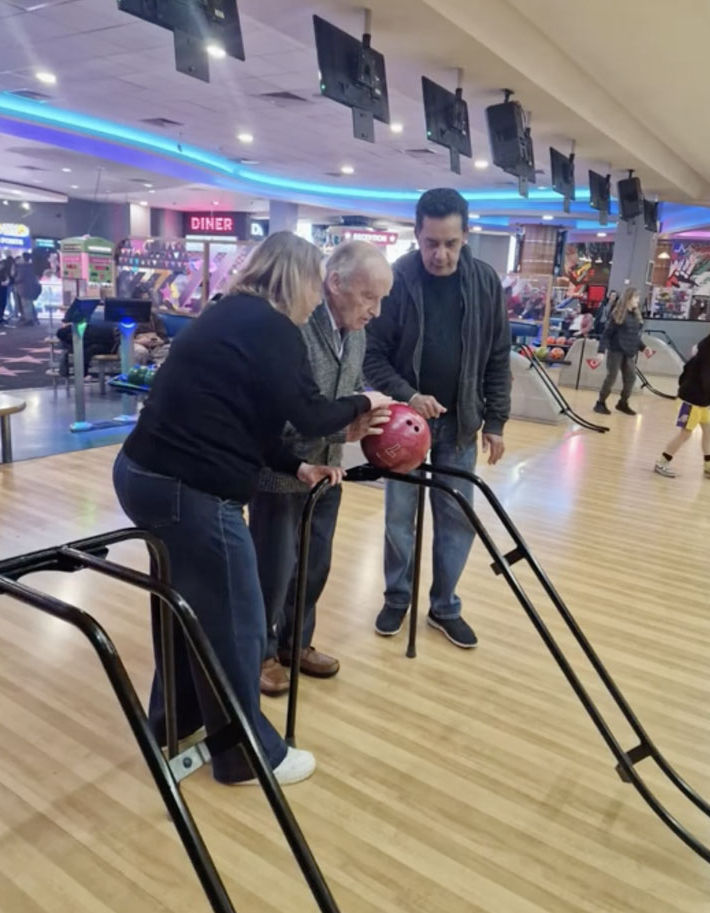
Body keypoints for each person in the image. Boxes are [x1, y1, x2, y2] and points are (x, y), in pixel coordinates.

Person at [113, 231, 390, 786]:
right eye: (318, 284)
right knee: (240, 620)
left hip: (144, 474)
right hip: (188, 489)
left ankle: (177, 725)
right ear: (302, 279)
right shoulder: (271, 327)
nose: (317, 299)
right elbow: (310, 413)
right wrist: (367, 401)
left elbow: (252, 420)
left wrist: (296, 467)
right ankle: (246, 754)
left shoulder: (229, 315)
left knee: (187, 611)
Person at [364, 188, 512, 649]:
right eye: (431, 243)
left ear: (466, 234)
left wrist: (497, 422)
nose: (440, 254)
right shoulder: (397, 279)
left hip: (462, 424)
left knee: (455, 519)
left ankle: (445, 606)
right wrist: (409, 395)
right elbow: (372, 357)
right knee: (398, 520)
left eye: (450, 242)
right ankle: (397, 596)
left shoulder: (485, 282)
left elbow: (498, 356)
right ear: (417, 234)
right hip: (403, 427)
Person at [249, 241, 393, 696]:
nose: (376, 310)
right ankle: (261, 655)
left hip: (328, 474)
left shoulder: (357, 333)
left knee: (313, 566)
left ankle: (296, 644)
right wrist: (342, 429)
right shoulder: (294, 323)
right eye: (369, 297)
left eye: (381, 299)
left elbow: (345, 396)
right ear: (335, 283)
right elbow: (284, 411)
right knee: (272, 570)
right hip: (280, 472)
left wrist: (366, 423)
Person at [654, 334, 710, 479]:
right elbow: (705, 380)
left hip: (702, 400)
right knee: (686, 433)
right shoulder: (705, 357)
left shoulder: (702, 349)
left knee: (708, 430)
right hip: (692, 400)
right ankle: (662, 462)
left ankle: (708, 465)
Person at [594, 287, 650, 416]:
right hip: (616, 350)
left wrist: (644, 347)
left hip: (629, 352)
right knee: (611, 377)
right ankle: (600, 403)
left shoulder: (636, 316)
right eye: (635, 297)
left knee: (631, 378)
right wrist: (601, 351)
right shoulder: (617, 314)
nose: (638, 300)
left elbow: (635, 336)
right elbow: (606, 334)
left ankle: (623, 403)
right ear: (628, 299)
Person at [14, 252, 41, 325]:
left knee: (26, 304)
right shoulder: (32, 266)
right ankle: (34, 318)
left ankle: (29, 319)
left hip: (24, 288)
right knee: (30, 303)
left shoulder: (22, 267)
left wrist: (15, 280)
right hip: (32, 287)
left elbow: (19, 278)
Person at [0, 254, 16, 325]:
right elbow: (12, 274)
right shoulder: (12, 264)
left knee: (3, 300)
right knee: (4, 300)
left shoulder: (1, 264)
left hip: (1, 284)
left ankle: (0, 315)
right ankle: (5, 314)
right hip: (7, 283)